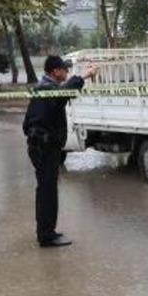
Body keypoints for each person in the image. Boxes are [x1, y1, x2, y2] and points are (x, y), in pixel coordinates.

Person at [22, 55, 97, 247]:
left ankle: (46, 232)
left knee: (46, 190)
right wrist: (85, 75)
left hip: (41, 145)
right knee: (47, 192)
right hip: (44, 147)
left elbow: (26, 123)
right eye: (65, 69)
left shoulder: (44, 88)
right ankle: (47, 236)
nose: (67, 72)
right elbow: (66, 92)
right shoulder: (47, 89)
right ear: (55, 71)